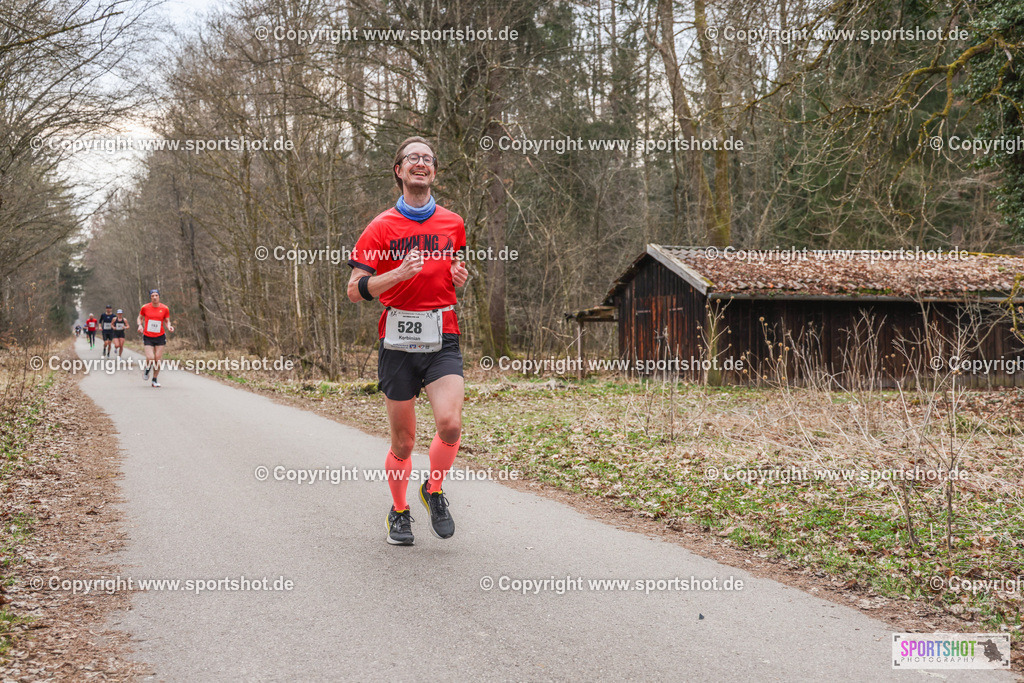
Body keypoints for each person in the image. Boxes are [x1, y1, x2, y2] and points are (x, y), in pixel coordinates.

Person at [347, 136, 469, 546]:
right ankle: (399, 511)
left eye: (428, 158)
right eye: (412, 157)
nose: (421, 162)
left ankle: (433, 490)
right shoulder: (380, 227)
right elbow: (355, 289)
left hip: (442, 335)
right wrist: (397, 275)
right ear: (398, 170)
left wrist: (459, 279)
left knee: (450, 425)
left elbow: (454, 271)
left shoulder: (453, 223)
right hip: (397, 341)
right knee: (404, 441)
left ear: (433, 171)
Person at [137, 290, 174, 388]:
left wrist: (169, 326)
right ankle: (147, 370)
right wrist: (140, 325)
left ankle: (154, 379)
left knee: (157, 359)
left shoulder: (165, 308)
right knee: (150, 358)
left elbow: (167, 320)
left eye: (156, 295)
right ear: (150, 297)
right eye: (152, 295)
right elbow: (139, 317)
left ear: (159, 296)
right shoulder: (145, 307)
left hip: (160, 336)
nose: (154, 297)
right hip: (148, 336)